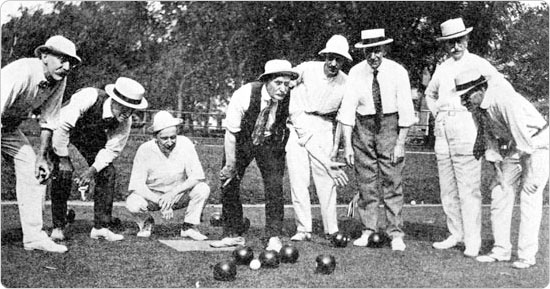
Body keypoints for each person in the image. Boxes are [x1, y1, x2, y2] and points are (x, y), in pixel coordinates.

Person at [425, 18, 507, 257]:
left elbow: (497, 87)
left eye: (459, 41)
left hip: (467, 124)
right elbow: (430, 93)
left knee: (468, 188)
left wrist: (483, 114)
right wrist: (437, 112)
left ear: (466, 39)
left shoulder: (479, 63)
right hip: (443, 128)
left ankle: (473, 240)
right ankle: (455, 233)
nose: (455, 47)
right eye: (450, 43)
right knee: (447, 188)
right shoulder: (442, 67)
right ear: (445, 44)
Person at [455, 69, 549, 269]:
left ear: (481, 89)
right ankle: (501, 250)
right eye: (461, 97)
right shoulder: (477, 109)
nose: (464, 102)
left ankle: (526, 255)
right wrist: (497, 172)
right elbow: (489, 142)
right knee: (500, 192)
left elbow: (525, 142)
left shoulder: (505, 100)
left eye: (466, 96)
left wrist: (530, 176)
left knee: (529, 195)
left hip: (538, 143)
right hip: (517, 146)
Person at [337, 28, 416, 251]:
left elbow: (406, 111)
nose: (373, 56)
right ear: (363, 51)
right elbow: (347, 111)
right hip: (363, 127)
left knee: (392, 180)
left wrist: (400, 143)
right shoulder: (355, 72)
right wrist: (348, 146)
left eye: (377, 51)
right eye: (368, 51)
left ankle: (395, 233)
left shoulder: (398, 71)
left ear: (384, 49)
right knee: (366, 182)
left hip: (390, 126)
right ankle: (368, 229)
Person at [1, 35, 81, 253]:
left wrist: (41, 156)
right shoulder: (22, 71)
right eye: (62, 59)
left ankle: (34, 237)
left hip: (7, 129)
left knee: (33, 169)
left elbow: (49, 120)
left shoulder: (59, 79)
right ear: (44, 56)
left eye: (70, 63)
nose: (66, 67)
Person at [210, 59, 299, 250]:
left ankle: (274, 235)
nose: (283, 89)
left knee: (275, 185)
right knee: (229, 181)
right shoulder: (244, 94)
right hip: (242, 140)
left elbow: (302, 128)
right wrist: (230, 164)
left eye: (286, 83)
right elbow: (231, 133)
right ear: (267, 81)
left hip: (270, 141)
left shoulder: (291, 98)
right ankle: (233, 233)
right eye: (278, 83)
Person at [50, 77, 148, 242]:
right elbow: (63, 126)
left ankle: (101, 227)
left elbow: (111, 150)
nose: (127, 114)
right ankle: (58, 226)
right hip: (61, 129)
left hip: (90, 137)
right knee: (63, 171)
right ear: (113, 100)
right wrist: (64, 159)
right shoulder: (89, 96)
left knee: (107, 172)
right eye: (124, 108)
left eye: (132, 109)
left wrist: (91, 171)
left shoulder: (126, 121)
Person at [286, 35, 350, 242]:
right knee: (298, 178)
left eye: (338, 59)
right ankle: (303, 228)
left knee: (326, 177)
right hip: (298, 124)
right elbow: (287, 82)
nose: (333, 63)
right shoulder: (307, 68)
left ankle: (331, 229)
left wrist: (336, 147)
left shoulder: (346, 82)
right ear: (325, 56)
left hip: (324, 126)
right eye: (330, 58)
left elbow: (343, 117)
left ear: (343, 61)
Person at [125, 111, 210, 240]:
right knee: (133, 202)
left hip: (177, 195)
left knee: (202, 188)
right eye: (164, 138)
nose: (170, 142)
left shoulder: (185, 143)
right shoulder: (144, 150)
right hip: (153, 197)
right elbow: (137, 185)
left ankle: (189, 226)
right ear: (155, 137)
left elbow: (197, 176)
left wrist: (172, 194)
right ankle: (146, 222)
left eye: (173, 137)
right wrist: (161, 201)